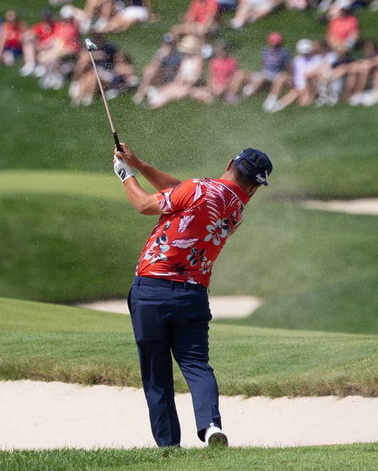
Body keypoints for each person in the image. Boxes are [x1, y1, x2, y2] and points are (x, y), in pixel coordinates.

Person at [114, 144, 273, 449]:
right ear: (255, 186)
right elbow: (179, 192)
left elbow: (146, 205)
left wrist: (126, 173)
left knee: (156, 371)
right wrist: (141, 163)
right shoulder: (236, 211)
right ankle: (211, 426)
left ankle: (169, 446)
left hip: (152, 291)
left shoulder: (198, 188)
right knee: (197, 365)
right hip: (193, 295)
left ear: (230, 162)